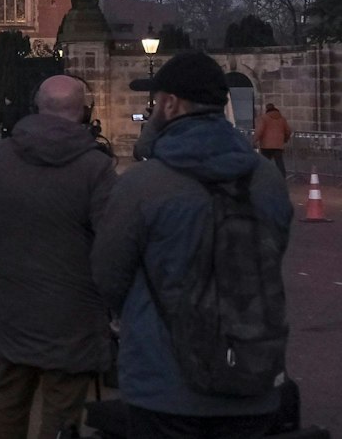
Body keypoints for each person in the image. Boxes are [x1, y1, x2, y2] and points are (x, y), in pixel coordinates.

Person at [93, 51, 293, 439]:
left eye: (155, 102)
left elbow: (108, 277)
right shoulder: (267, 179)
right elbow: (274, 252)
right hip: (254, 373)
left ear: (171, 104)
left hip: (164, 385)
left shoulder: (142, 184)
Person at [0, 75, 117, 439]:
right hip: (75, 310)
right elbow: (113, 241)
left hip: (18, 303)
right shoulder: (95, 167)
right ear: (83, 113)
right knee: (61, 412)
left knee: (9, 403)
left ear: (37, 107)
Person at [254, 103, 292, 176]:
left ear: (267, 109)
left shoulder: (263, 118)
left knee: (265, 162)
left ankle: (265, 176)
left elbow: (259, 131)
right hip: (278, 145)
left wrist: (254, 140)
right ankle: (282, 177)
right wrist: (285, 139)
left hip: (266, 145)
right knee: (279, 162)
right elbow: (288, 131)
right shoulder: (282, 119)